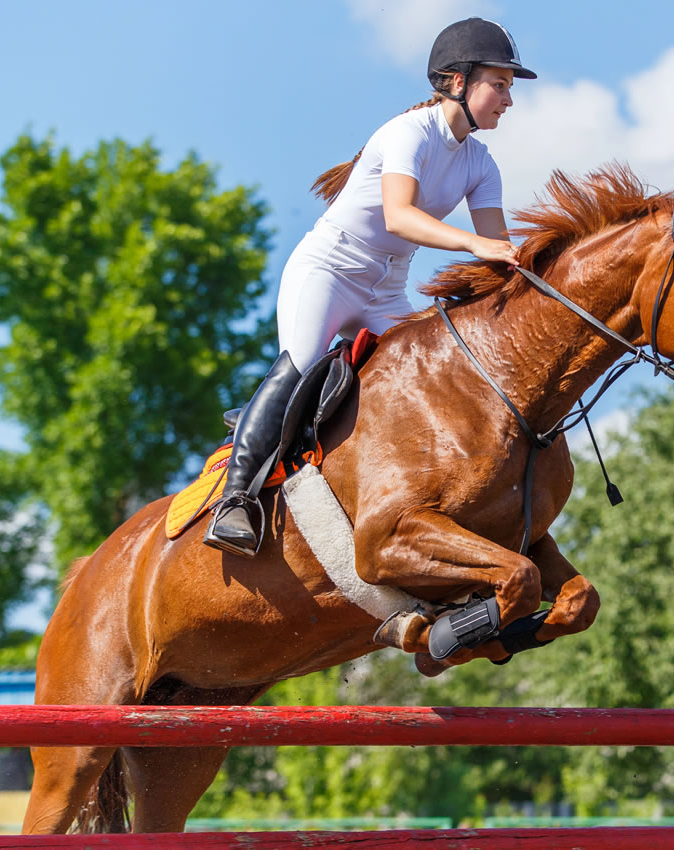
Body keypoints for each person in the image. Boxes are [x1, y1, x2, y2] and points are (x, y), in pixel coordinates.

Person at [205, 17, 536, 556]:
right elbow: (401, 217)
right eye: (499, 85)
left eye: (508, 88)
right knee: (301, 363)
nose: (508, 99)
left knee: (437, 371)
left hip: (386, 289)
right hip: (329, 271)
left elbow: (498, 251)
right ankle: (236, 500)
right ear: (457, 81)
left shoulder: (481, 162)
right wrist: (475, 246)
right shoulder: (408, 133)